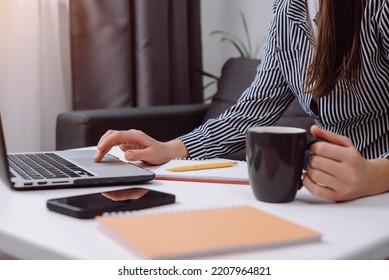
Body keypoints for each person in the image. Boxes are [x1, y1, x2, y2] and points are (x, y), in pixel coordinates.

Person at [94, 0, 389, 202]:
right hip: (330, 196)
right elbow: (253, 111)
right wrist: (170, 149)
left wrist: (373, 176)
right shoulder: (289, 9)